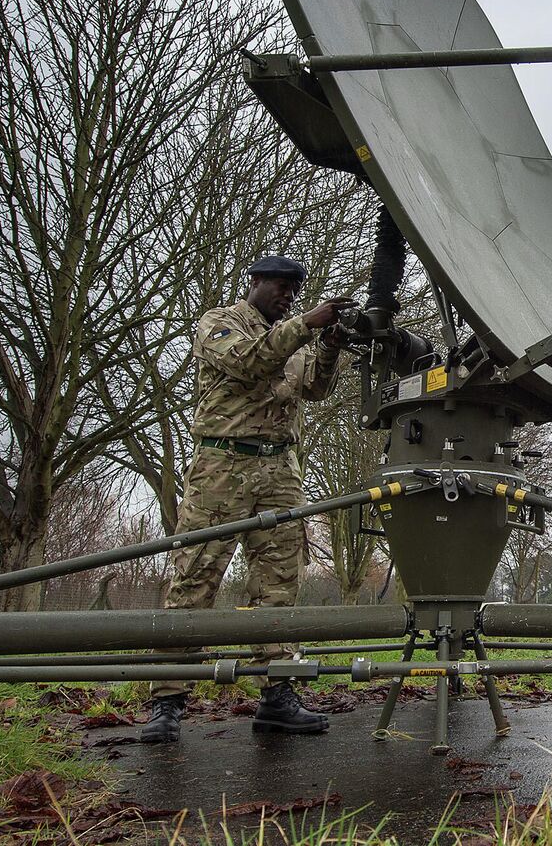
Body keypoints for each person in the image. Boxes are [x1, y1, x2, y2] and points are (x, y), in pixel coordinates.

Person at [140, 254, 357, 744]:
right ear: (255, 282)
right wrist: (307, 324)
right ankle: (168, 700)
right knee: (195, 576)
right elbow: (249, 363)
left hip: (279, 468)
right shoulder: (221, 323)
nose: (288, 295)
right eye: (280, 285)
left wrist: (329, 346)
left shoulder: (293, 335)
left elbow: (315, 388)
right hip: (222, 466)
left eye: (294, 290)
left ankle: (278, 693)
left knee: (278, 583)